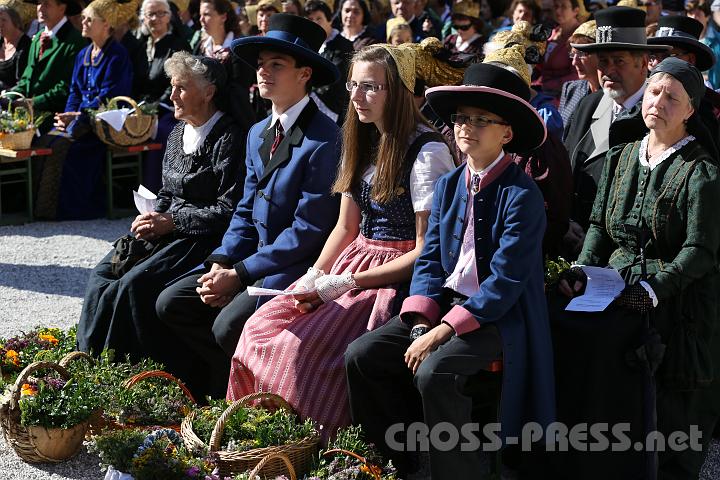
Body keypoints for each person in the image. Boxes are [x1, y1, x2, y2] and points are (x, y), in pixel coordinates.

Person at [226, 43, 454, 442]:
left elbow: (424, 251)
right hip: (352, 260)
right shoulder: (362, 139)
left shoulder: (426, 151)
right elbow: (345, 228)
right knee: (260, 326)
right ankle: (263, 438)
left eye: (370, 87)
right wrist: (315, 275)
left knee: (305, 347)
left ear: (398, 91)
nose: (356, 97)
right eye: (353, 85)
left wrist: (348, 283)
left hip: (393, 277)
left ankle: (320, 445)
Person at [345, 60, 554, 479]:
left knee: (435, 372)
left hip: (498, 317)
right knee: (361, 355)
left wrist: (442, 332)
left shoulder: (522, 194)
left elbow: (505, 283)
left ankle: (458, 472)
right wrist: (422, 320)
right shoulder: (449, 184)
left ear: (506, 133)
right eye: (461, 118)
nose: (466, 128)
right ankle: (394, 463)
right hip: (444, 307)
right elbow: (429, 259)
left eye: (481, 120)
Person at [549, 58, 720, 480]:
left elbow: (699, 251)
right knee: (560, 321)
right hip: (612, 281)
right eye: (655, 91)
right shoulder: (622, 155)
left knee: (623, 344)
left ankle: (637, 462)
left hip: (674, 294)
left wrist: (654, 288)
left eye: (672, 97)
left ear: (690, 111)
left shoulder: (703, 173)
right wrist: (581, 268)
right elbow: (597, 226)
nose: (658, 102)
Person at [155, 14, 342, 400]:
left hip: (291, 268)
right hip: (248, 261)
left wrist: (239, 274)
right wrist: (221, 261)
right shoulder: (259, 130)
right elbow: (244, 208)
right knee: (171, 303)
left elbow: (307, 231)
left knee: (225, 327)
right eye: (260, 64)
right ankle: (221, 390)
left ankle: (252, 400)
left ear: (305, 73)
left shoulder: (326, 139)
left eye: (277, 65)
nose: (263, 72)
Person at [78, 53, 245, 363]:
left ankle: (123, 370)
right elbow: (168, 190)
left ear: (208, 92)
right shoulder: (178, 132)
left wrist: (172, 221)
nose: (172, 96)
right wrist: (153, 215)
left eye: (181, 88)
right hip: (168, 230)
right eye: (172, 87)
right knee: (102, 275)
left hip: (201, 239)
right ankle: (86, 360)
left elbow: (228, 210)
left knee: (130, 287)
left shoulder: (230, 137)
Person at [563, 7, 671, 252]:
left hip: (625, 250)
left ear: (643, 64)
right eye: (603, 62)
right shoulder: (589, 104)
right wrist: (565, 223)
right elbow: (566, 164)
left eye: (618, 61)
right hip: (573, 239)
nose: (609, 70)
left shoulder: (659, 114)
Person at [33, 0, 133, 220]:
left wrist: (78, 117)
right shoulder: (84, 54)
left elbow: (110, 95)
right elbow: (74, 92)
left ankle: (74, 209)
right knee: (44, 142)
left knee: (67, 149)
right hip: (80, 119)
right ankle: (41, 209)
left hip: (104, 122)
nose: (83, 22)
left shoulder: (117, 55)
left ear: (106, 24)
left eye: (89, 19)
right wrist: (67, 116)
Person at [137, 0, 191, 193]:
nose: (155, 19)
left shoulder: (177, 45)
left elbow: (178, 84)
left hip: (169, 108)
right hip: (141, 107)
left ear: (169, 16)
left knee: (161, 132)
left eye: (161, 13)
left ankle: (157, 192)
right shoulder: (141, 44)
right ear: (143, 18)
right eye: (150, 14)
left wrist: (154, 108)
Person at [11, 0, 84, 132]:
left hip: (56, 118)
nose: (40, 8)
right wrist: (10, 96)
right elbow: (27, 79)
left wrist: (32, 103)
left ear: (62, 8)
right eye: (39, 3)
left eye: (47, 4)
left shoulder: (75, 41)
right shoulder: (38, 38)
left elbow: (65, 87)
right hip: (28, 117)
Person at [191, 0, 256, 131]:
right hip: (200, 118)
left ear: (223, 17)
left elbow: (239, 91)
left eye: (207, 14)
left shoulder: (238, 49)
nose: (201, 20)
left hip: (231, 122)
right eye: (200, 15)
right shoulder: (201, 46)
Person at [305, 0, 354, 125]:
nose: (314, 23)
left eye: (319, 19)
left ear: (330, 20)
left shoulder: (343, 46)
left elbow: (337, 79)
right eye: (311, 19)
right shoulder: (308, 44)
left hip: (335, 110)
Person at [533, 0, 587, 98]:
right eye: (556, 6)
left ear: (576, 10)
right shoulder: (553, 33)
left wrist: (547, 85)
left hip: (565, 96)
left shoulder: (579, 38)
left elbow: (577, 75)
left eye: (564, 7)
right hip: (542, 89)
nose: (558, 11)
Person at [559, 20, 599, 127]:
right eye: (573, 55)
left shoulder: (612, 94)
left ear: (601, 56)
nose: (574, 62)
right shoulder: (571, 89)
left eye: (581, 54)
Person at [0, 3, 30, 90]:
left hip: (11, 98)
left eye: (3, 20)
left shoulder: (25, 45)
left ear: (15, 22)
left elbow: (22, 82)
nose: (0, 24)